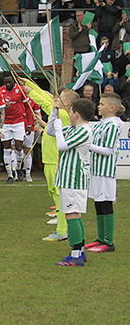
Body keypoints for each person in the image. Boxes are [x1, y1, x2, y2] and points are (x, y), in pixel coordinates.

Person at [25, 80, 79, 242]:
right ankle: (63, 228)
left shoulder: (63, 114)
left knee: (59, 196)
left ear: (67, 102)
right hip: (51, 159)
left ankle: (62, 230)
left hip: (56, 160)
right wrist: (29, 83)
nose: (55, 98)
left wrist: (30, 91)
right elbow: (47, 97)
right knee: (56, 195)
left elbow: (45, 101)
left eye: (59, 97)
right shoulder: (59, 114)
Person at [46, 98, 94, 266]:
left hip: (75, 177)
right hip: (68, 177)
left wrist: (59, 128)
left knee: (72, 215)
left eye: (71, 112)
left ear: (76, 114)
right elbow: (51, 131)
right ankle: (79, 252)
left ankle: (75, 255)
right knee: (74, 215)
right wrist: (54, 111)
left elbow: (61, 145)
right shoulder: (74, 128)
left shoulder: (84, 130)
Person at [85, 93, 123, 253]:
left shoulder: (113, 124)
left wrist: (88, 145)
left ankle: (108, 241)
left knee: (106, 203)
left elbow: (108, 150)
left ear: (111, 108)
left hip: (105, 171)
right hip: (96, 170)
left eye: (101, 104)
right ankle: (100, 238)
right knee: (98, 203)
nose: (98, 106)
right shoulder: (101, 123)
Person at [0, 76, 33, 183]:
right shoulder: (0, 91)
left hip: (18, 122)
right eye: (5, 83)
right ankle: (10, 175)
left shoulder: (20, 90)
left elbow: (28, 107)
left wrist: (29, 123)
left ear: (14, 82)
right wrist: (4, 107)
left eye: (9, 82)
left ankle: (18, 168)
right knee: (6, 147)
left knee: (19, 147)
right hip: (6, 123)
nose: (7, 84)